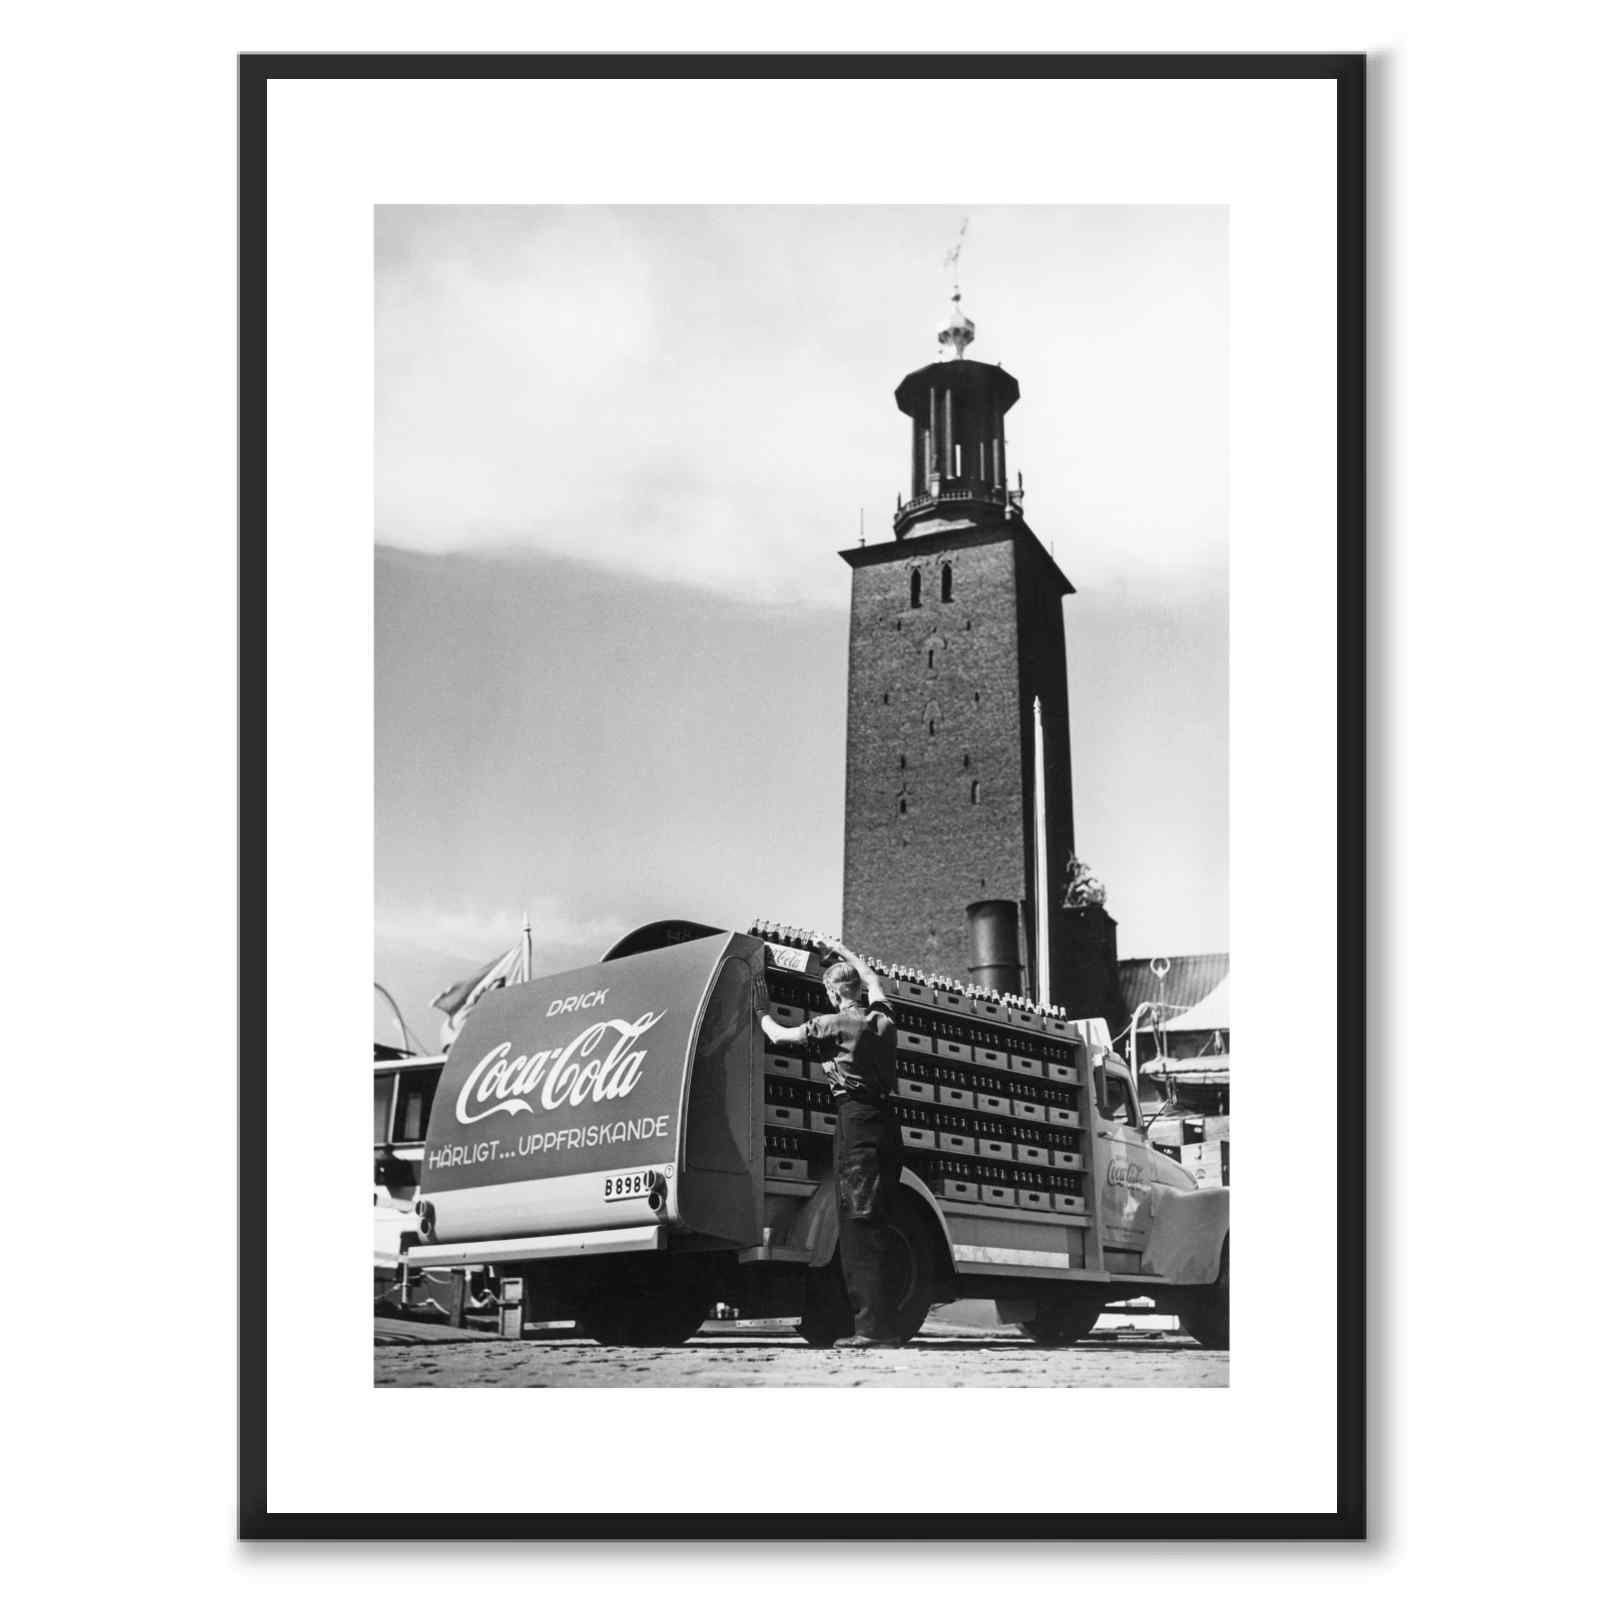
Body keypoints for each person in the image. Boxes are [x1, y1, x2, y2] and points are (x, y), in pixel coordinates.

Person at [758, 944, 903, 1348]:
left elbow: (777, 1034)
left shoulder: (831, 1025)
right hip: (889, 1126)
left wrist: (758, 1006)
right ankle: (881, 1324)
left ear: (832, 992)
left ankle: (872, 1331)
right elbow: (873, 979)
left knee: (857, 1224)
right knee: (880, 1223)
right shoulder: (883, 1020)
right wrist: (841, 950)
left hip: (855, 1123)